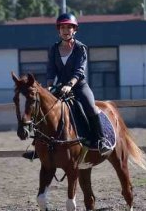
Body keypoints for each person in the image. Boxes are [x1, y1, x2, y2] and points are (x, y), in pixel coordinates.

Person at [28, 12, 113, 157]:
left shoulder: (80, 48)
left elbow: (79, 71)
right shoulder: (54, 49)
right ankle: (38, 146)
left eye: (69, 27)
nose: (66, 30)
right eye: (62, 28)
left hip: (79, 86)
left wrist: (70, 84)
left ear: (74, 30)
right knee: (43, 108)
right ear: (59, 30)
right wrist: (49, 85)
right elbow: (51, 69)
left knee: (91, 107)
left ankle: (101, 140)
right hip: (60, 87)